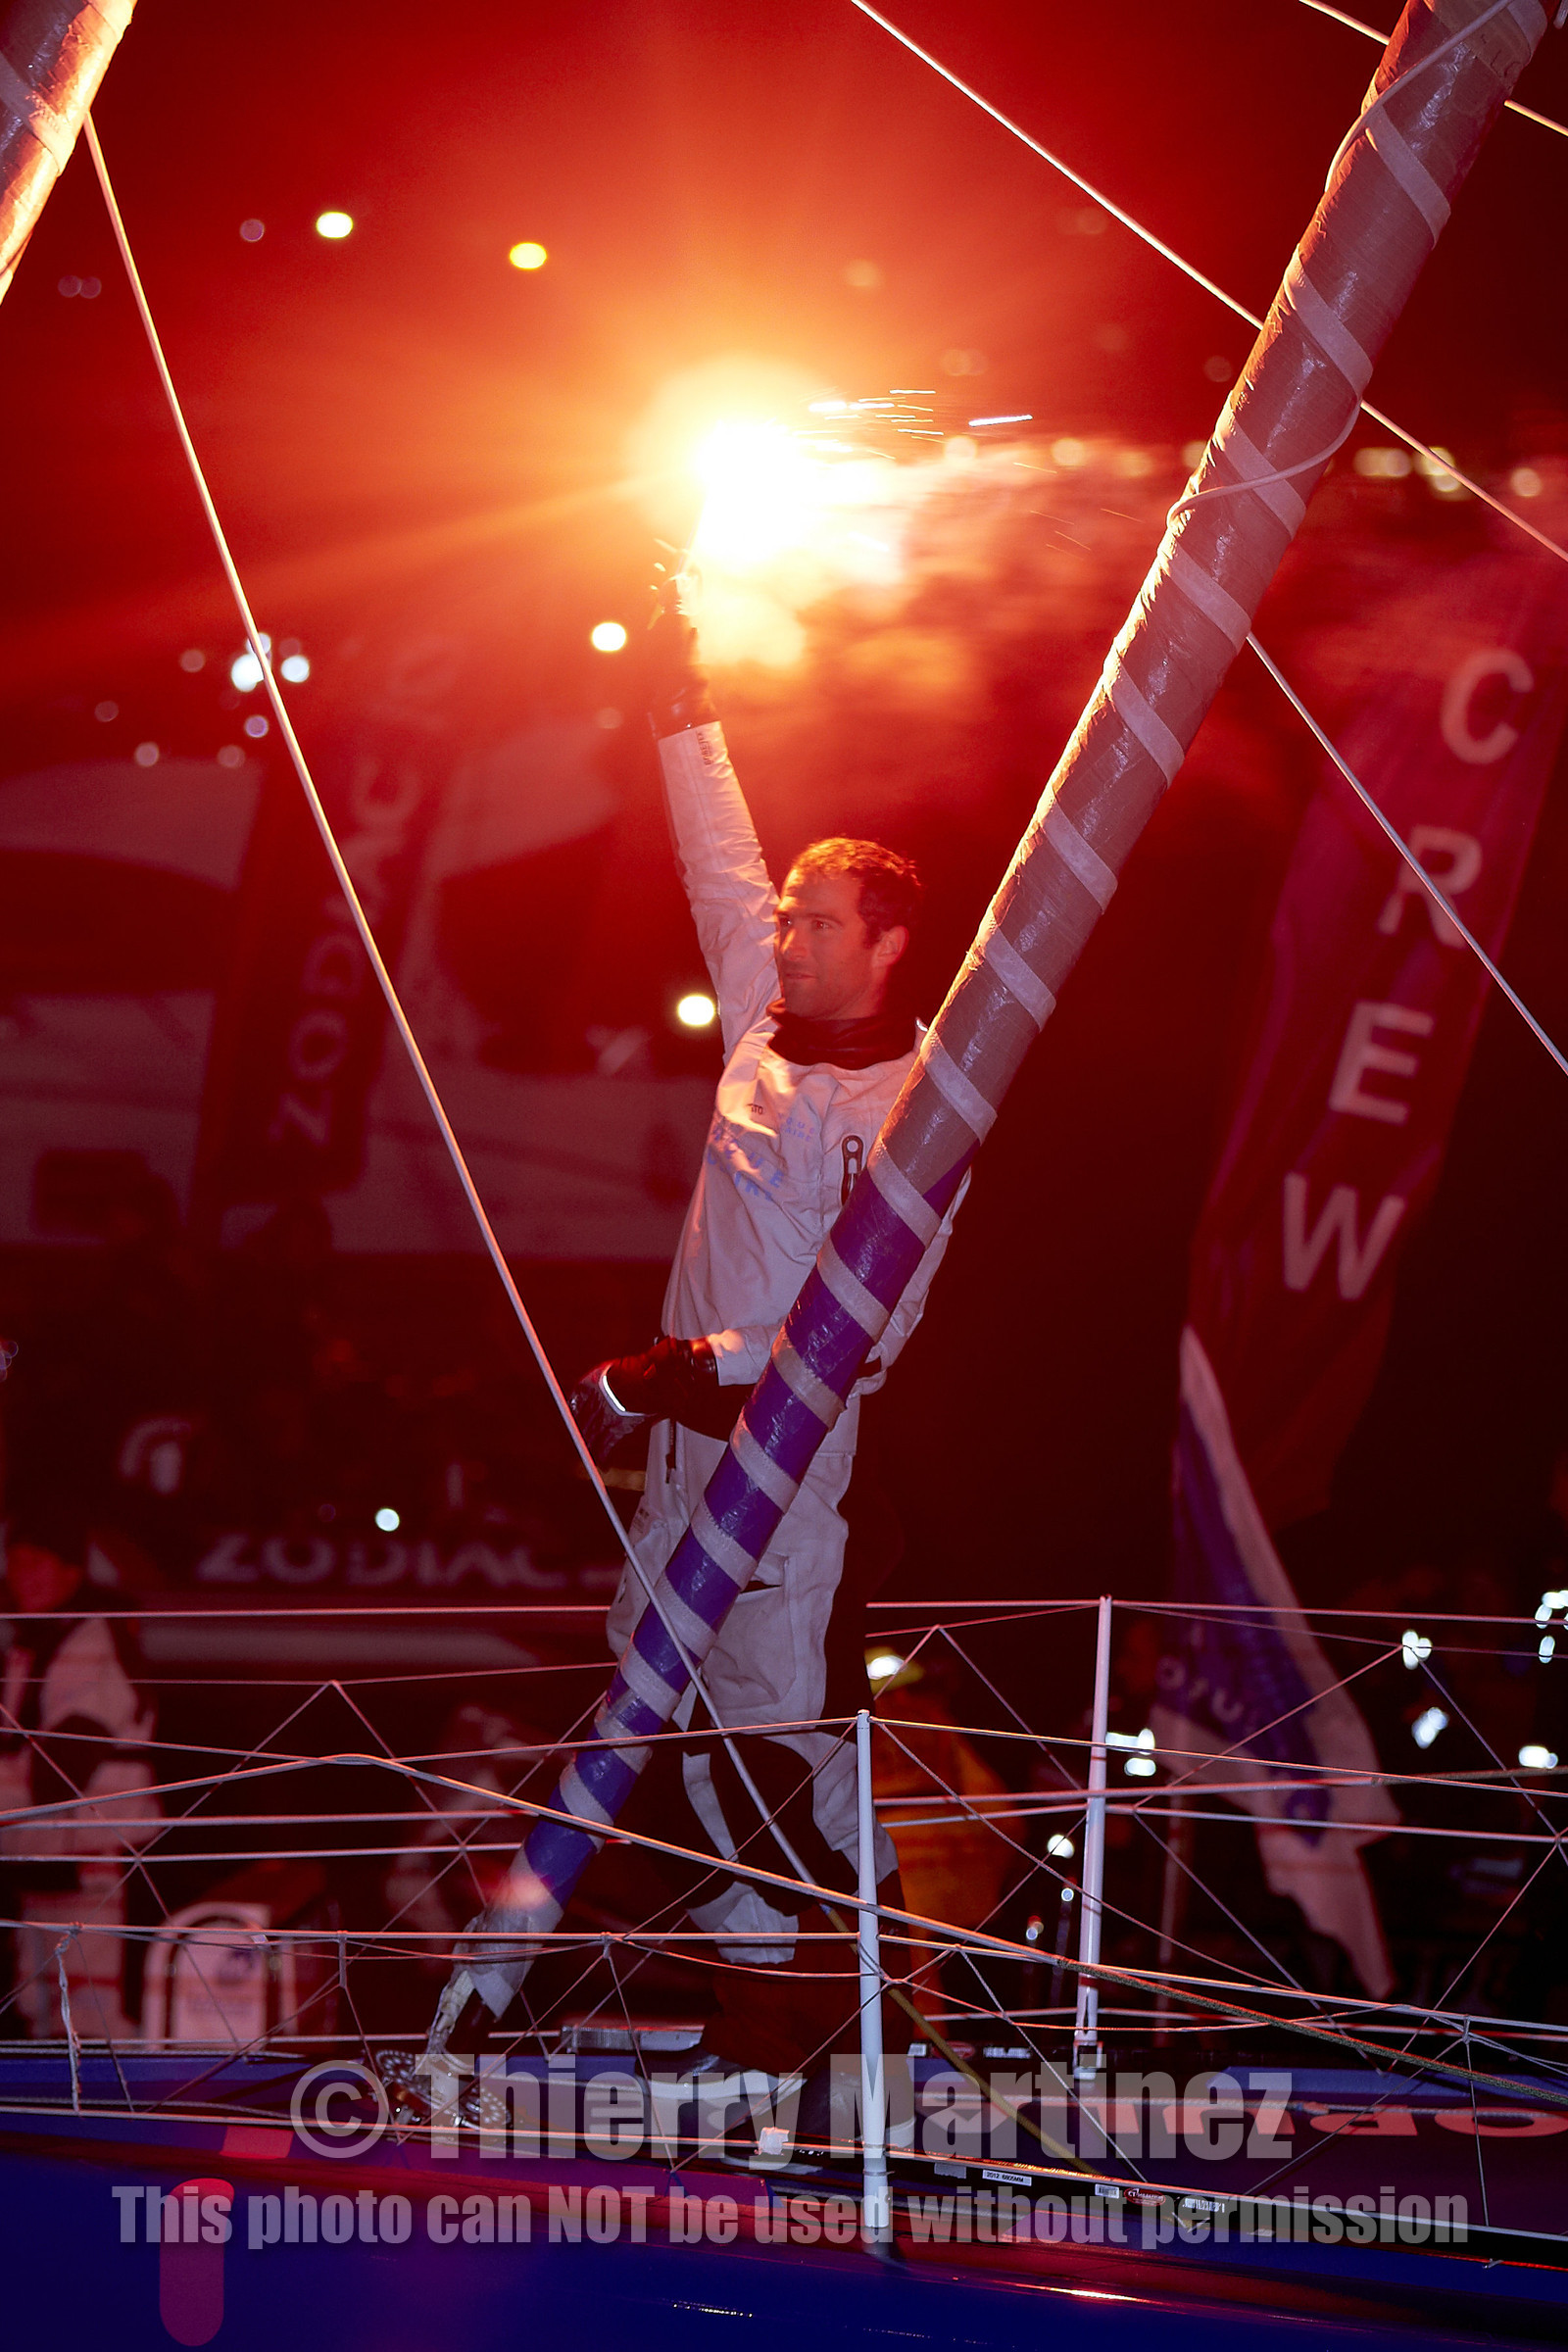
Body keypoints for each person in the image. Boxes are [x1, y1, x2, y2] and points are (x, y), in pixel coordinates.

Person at [565, 574, 966, 2072]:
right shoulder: (762, 1014)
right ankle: (760, 2022)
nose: (787, 935)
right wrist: (682, 700)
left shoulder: (910, 1109)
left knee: (785, 1749)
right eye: (790, 916)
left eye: (818, 921)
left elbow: (870, 1333)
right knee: (674, 1722)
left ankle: (885, 2036)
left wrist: (686, 1368)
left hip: (788, 1474)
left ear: (888, 945)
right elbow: (717, 862)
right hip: (683, 1458)